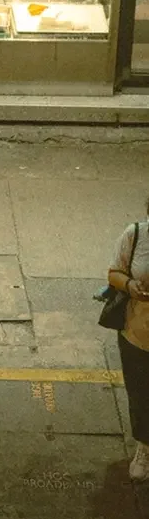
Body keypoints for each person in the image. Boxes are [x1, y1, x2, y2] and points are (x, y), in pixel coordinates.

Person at [108, 200, 149, 481]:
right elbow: (114, 274)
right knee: (140, 395)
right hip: (137, 334)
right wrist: (130, 285)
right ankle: (145, 447)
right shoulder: (135, 235)